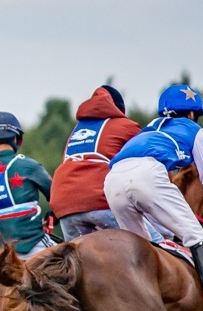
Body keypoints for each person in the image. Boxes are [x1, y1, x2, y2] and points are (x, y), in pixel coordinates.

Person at [106, 84, 203, 311]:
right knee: (196, 235)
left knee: (142, 250)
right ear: (191, 114)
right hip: (147, 174)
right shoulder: (194, 131)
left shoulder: (149, 128)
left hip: (112, 180)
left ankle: (137, 309)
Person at [51, 85, 147, 240]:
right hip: (101, 201)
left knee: (79, 263)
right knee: (154, 246)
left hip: (65, 206)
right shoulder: (127, 126)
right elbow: (149, 165)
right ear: (120, 109)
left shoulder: (75, 132)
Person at [0, 112, 54, 259]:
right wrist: (52, 218)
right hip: (33, 246)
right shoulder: (29, 166)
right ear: (16, 139)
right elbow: (57, 196)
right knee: (71, 266)